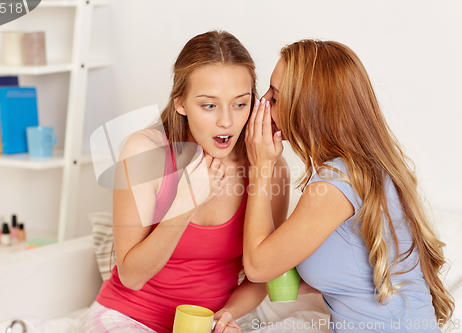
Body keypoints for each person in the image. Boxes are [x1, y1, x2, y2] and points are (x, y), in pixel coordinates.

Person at [81, 31, 290, 333]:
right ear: (180, 103)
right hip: (128, 317)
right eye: (209, 105)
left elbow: (262, 274)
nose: (226, 122)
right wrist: (186, 204)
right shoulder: (145, 153)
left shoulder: (269, 166)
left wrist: (227, 315)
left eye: (240, 104)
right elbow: (131, 275)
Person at [243, 39, 454, 333]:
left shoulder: (335, 184)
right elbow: (348, 273)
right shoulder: (359, 170)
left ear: (310, 108)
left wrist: (261, 166)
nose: (262, 103)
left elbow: (257, 267)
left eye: (275, 98)